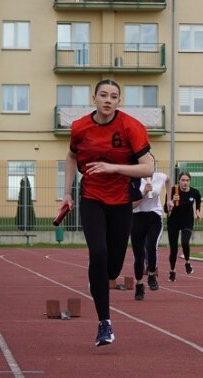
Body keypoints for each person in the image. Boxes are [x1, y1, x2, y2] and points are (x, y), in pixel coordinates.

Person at [62, 79, 154, 347]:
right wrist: (67, 193)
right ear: (94, 98)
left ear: (119, 101)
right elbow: (70, 157)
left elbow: (148, 168)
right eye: (103, 95)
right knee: (98, 255)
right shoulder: (80, 127)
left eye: (114, 96)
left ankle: (100, 279)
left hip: (121, 201)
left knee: (111, 268)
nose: (108, 100)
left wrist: (114, 168)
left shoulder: (130, 126)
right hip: (91, 198)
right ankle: (104, 324)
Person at [130, 167, 170, 300]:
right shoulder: (134, 180)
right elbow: (131, 205)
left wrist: (168, 200)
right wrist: (143, 193)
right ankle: (139, 285)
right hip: (137, 217)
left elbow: (169, 181)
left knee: (151, 246)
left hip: (154, 216)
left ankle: (152, 274)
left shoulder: (159, 177)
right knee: (139, 255)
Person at [165, 171, 201, 282]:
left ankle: (187, 262)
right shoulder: (172, 191)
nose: (185, 182)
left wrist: (198, 212)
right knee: (174, 250)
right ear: (179, 181)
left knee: (185, 242)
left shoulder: (195, 192)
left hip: (187, 222)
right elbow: (166, 210)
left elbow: (198, 202)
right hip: (173, 222)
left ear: (190, 181)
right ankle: (172, 271)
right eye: (183, 180)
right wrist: (171, 202)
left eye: (187, 180)